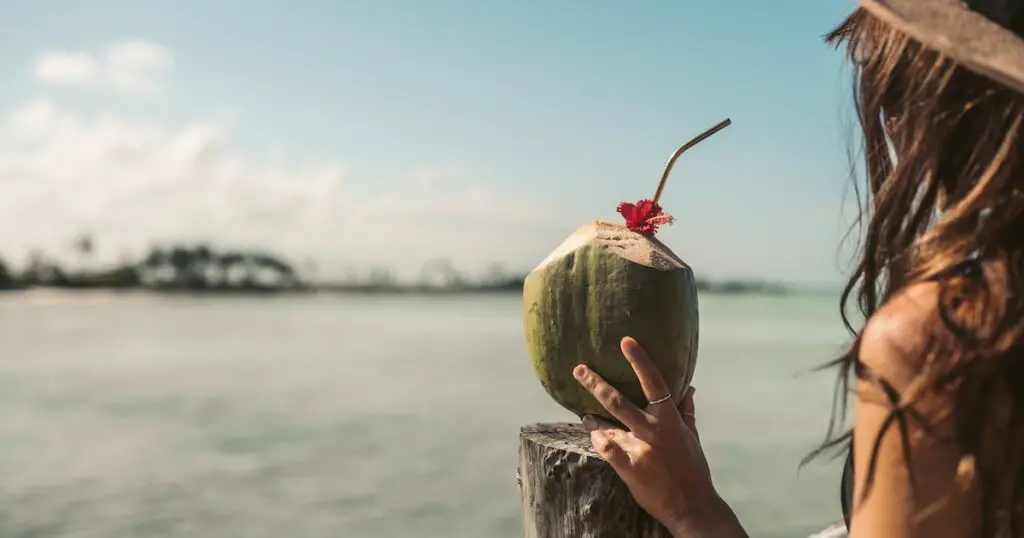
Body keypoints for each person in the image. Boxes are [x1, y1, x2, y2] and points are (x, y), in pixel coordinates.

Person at [573, 0, 1024, 536]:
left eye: (895, 84)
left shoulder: (941, 339)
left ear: (965, 97)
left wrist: (693, 508)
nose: (891, 125)